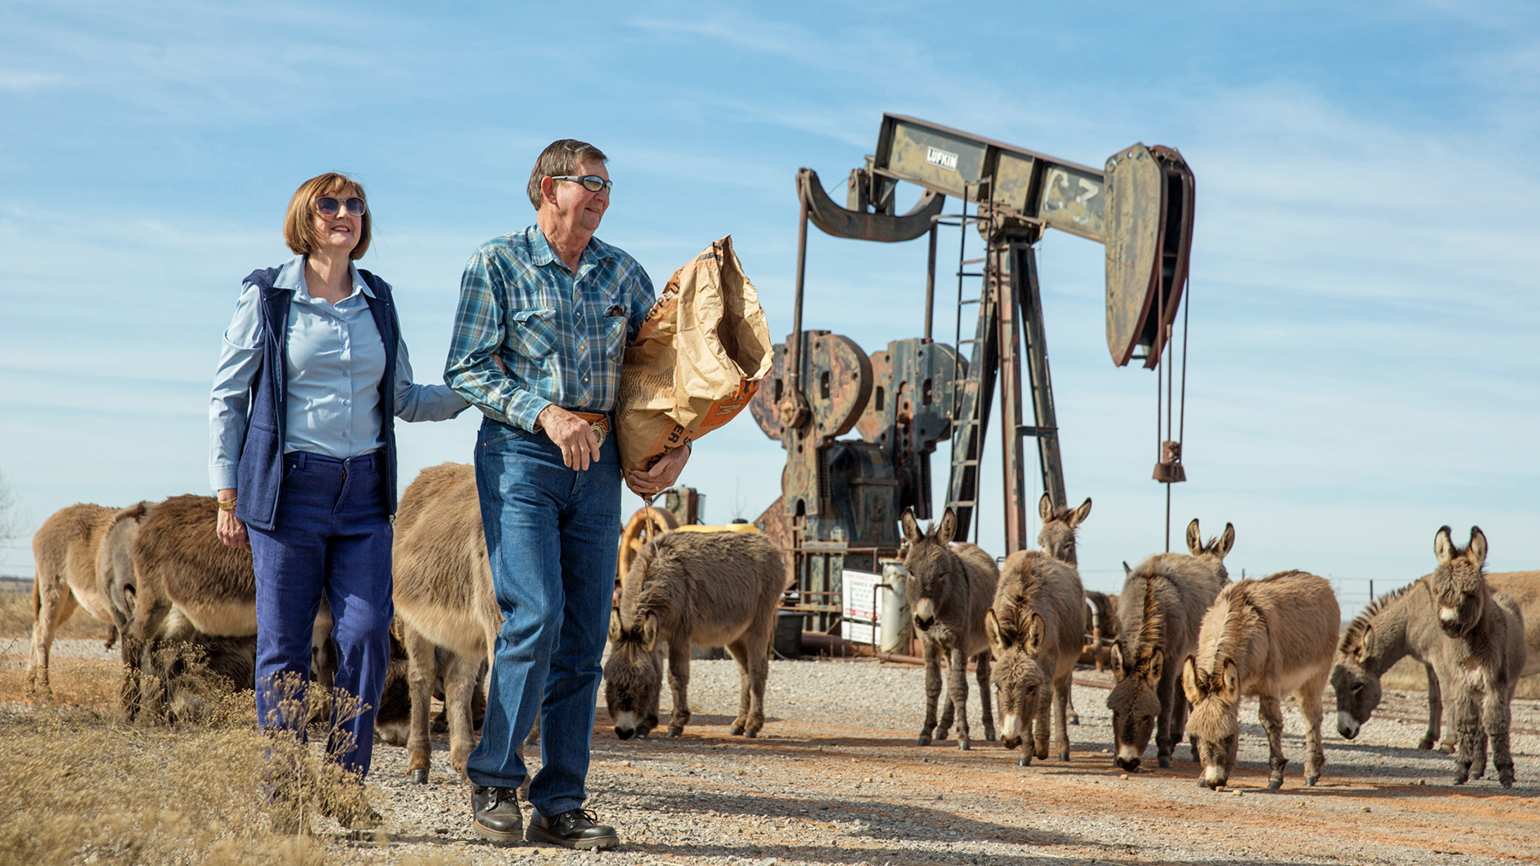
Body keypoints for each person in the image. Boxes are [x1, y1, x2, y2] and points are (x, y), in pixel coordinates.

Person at [445, 140, 689, 849]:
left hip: (601, 467)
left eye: (608, 185)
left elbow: (663, 374)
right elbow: (466, 367)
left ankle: (560, 804)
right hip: (521, 455)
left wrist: (674, 448)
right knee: (537, 614)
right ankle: (493, 778)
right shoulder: (497, 264)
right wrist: (544, 415)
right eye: (589, 183)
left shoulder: (623, 272)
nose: (602, 196)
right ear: (547, 189)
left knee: (585, 636)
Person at [209, 172, 468, 827]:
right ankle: (286, 796)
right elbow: (228, 397)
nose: (344, 213)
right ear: (305, 216)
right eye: (330, 204)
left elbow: (404, 398)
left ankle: (342, 788)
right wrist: (225, 492)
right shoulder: (267, 297)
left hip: (365, 498)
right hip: (289, 492)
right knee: (286, 649)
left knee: (366, 639)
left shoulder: (377, 298)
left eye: (355, 204)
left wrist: (480, 392)